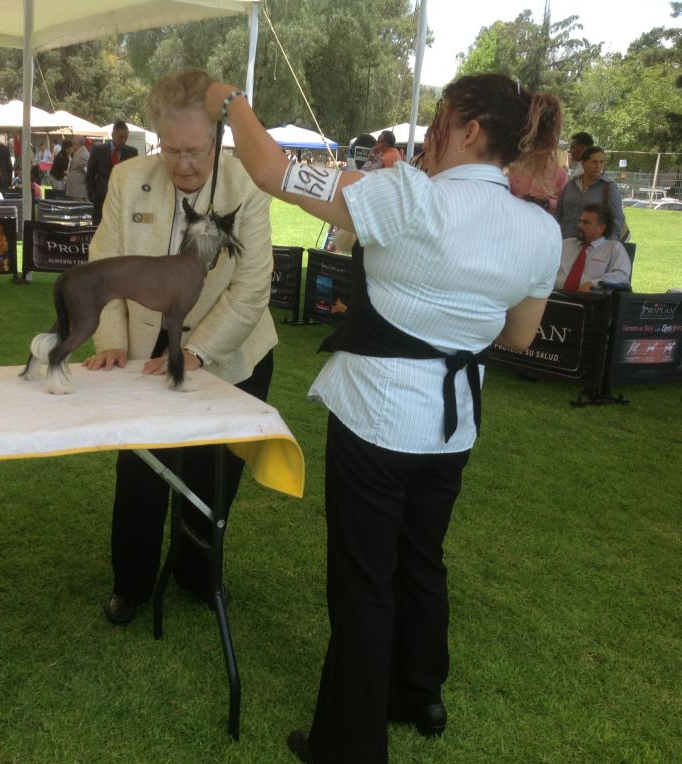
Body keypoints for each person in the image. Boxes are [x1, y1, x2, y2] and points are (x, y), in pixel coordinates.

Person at [208, 72, 563, 762]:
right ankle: (420, 692)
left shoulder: (408, 196)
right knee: (422, 560)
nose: (429, 131)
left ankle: (349, 746)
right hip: (454, 422)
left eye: (438, 119)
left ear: (467, 128)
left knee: (365, 581)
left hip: (378, 414)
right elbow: (520, 336)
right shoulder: (539, 230)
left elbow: (271, 169)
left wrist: (231, 103)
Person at [81, 67, 277, 627]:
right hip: (145, 358)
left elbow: (251, 287)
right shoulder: (126, 179)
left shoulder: (250, 186)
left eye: (196, 150)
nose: (184, 164)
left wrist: (196, 352)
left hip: (233, 358)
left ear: (218, 138)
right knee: (141, 470)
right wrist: (115, 340)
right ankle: (131, 582)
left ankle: (197, 573)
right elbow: (106, 266)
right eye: (171, 150)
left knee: (211, 478)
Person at [554, 145, 626, 242]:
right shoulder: (571, 185)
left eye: (601, 162)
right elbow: (558, 214)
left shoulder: (608, 187)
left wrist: (609, 245)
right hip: (565, 242)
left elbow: (617, 220)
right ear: (583, 163)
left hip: (592, 246)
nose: (598, 166)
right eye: (594, 162)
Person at [555, 203, 632, 293]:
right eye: (580, 221)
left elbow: (621, 276)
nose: (579, 225)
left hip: (591, 302)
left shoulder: (614, 248)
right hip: (554, 297)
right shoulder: (565, 244)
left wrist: (593, 284)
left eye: (586, 223)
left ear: (601, 228)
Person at [86, 120, 139, 225]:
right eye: (120, 137)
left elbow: (134, 177)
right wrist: (92, 195)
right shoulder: (98, 150)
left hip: (122, 202)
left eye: (125, 138)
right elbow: (90, 174)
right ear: (113, 134)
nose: (123, 140)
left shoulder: (132, 152)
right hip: (101, 200)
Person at [508, 149, 568, 214]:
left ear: (551, 145)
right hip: (516, 216)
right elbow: (505, 194)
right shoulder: (515, 169)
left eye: (543, 143)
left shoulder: (560, 173)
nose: (539, 148)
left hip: (546, 220)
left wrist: (547, 202)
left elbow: (565, 204)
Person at [63, 135, 90, 201]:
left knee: (79, 209)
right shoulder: (80, 152)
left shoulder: (83, 155)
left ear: (76, 143)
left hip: (79, 192)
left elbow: (88, 173)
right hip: (76, 191)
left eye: (73, 141)